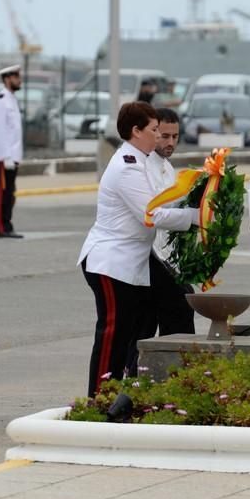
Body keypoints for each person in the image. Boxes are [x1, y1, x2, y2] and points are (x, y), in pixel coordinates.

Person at [78, 101, 199, 397]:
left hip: (132, 263)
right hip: (111, 263)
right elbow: (151, 214)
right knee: (113, 334)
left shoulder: (142, 161)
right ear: (136, 131)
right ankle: (99, 398)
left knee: (132, 330)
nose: (159, 136)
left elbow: (164, 202)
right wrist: (197, 217)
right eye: (154, 130)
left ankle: (121, 393)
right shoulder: (127, 167)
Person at [143, 107, 196, 335]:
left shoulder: (167, 166)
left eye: (175, 136)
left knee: (177, 308)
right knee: (177, 305)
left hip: (165, 256)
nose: (171, 142)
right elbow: (154, 214)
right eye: (165, 136)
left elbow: (174, 205)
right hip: (147, 255)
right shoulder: (143, 166)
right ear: (153, 132)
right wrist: (193, 217)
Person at [0, 65, 24, 238]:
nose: (19, 80)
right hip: (3, 156)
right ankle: (1, 227)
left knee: (9, 192)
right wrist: (6, 156)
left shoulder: (11, 99)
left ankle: (6, 224)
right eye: (16, 76)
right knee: (1, 193)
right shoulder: (1, 100)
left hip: (12, 156)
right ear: (8, 78)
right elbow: (0, 131)